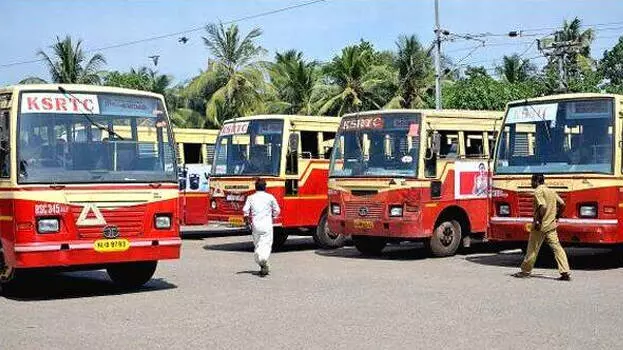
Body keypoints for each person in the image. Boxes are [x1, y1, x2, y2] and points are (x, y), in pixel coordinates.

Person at [513, 174, 571, 281]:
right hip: (551, 226)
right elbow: (562, 204)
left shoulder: (538, 191)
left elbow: (542, 206)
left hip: (540, 226)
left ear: (536, 181)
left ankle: (525, 271)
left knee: (532, 249)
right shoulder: (551, 191)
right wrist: (557, 216)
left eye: (532, 181)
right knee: (557, 248)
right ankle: (565, 272)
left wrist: (539, 220)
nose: (531, 183)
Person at [243, 178, 281, 276]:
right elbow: (277, 210)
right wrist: (273, 216)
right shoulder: (270, 197)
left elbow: (245, 212)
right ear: (265, 187)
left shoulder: (251, 198)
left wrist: (247, 223)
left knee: (258, 244)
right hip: (267, 225)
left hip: (255, 225)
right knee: (266, 244)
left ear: (255, 187)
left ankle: (261, 263)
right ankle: (263, 260)